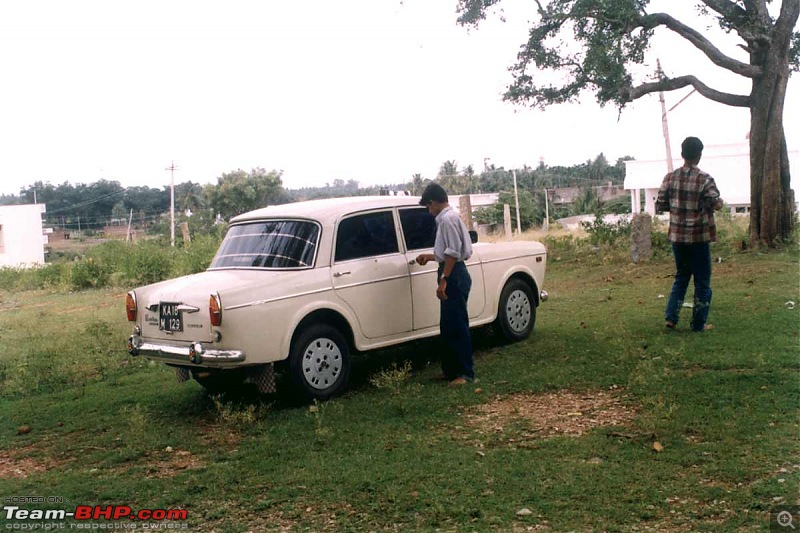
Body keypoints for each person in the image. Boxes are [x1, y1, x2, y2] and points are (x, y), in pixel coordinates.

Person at [656, 136, 724, 332]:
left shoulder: (670, 177)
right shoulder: (705, 179)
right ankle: (698, 323)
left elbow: (661, 203)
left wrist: (677, 208)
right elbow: (715, 202)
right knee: (702, 281)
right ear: (699, 155)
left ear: (682, 154)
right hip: (699, 237)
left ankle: (671, 317)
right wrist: (717, 204)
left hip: (677, 237)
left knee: (682, 276)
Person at [415, 183, 474, 385]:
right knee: (448, 325)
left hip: (454, 274)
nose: (429, 211)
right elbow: (446, 252)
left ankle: (465, 373)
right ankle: (450, 370)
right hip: (451, 270)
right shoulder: (448, 219)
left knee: (457, 324)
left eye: (428, 207)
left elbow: (453, 254)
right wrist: (430, 257)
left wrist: (444, 280)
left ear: (433, 202)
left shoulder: (447, 220)